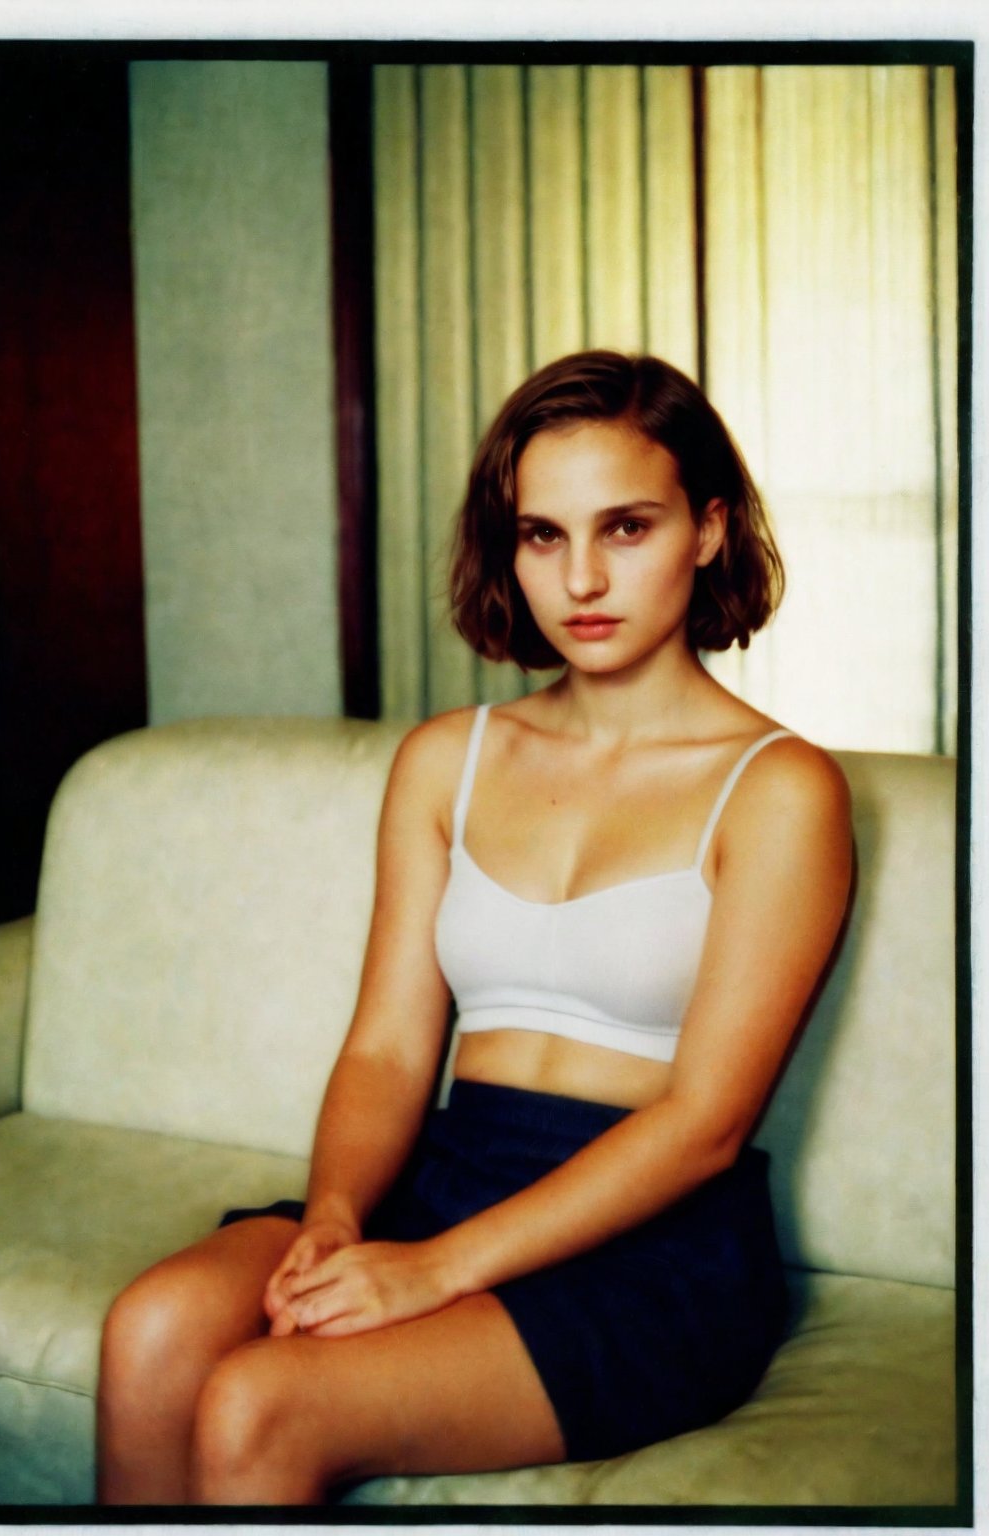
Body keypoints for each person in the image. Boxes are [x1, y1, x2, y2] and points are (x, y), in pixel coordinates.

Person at [96, 350, 853, 1506]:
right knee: (151, 1332)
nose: (582, 579)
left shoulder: (779, 788)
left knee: (258, 1403)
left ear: (705, 531)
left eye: (627, 528)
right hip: (448, 1173)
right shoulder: (447, 760)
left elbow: (705, 1123)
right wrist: (341, 1217)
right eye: (543, 535)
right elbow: (390, 1049)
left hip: (651, 1240)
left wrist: (433, 1274)